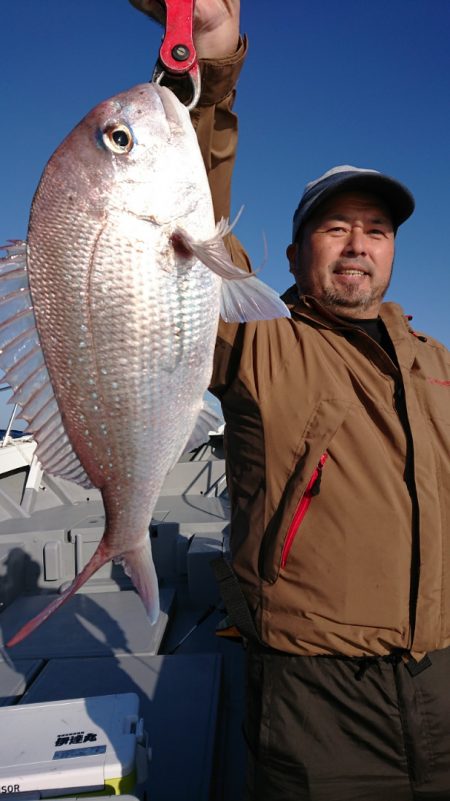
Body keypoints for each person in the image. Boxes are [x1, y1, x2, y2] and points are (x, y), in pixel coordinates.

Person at [131, 3, 450, 799]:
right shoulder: (259, 335)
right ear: (297, 246)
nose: (357, 244)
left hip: (443, 681)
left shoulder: (438, 364)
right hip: (317, 702)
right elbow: (185, 206)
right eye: (336, 227)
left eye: (375, 230)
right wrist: (208, 60)